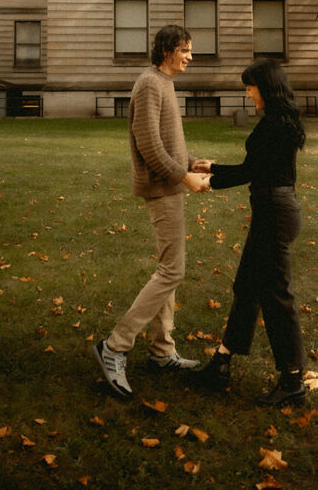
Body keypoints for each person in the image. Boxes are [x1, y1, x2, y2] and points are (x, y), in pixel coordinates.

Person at [92, 25, 208, 399]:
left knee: (169, 268)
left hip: (170, 183)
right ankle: (115, 346)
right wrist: (184, 177)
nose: (190, 56)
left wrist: (192, 163)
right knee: (172, 270)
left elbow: (167, 144)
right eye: (185, 50)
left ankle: (162, 351)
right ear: (167, 50)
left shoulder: (164, 83)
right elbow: (148, 146)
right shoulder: (148, 84)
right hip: (161, 187)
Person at [194, 58, 307, 406]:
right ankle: (222, 362)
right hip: (273, 209)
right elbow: (254, 169)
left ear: (266, 87)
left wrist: (210, 181)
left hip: (274, 212)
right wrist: (213, 167)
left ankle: (292, 381)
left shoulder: (274, 125)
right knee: (247, 287)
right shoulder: (280, 121)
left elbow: (250, 173)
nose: (246, 92)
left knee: (276, 294)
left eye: (250, 85)